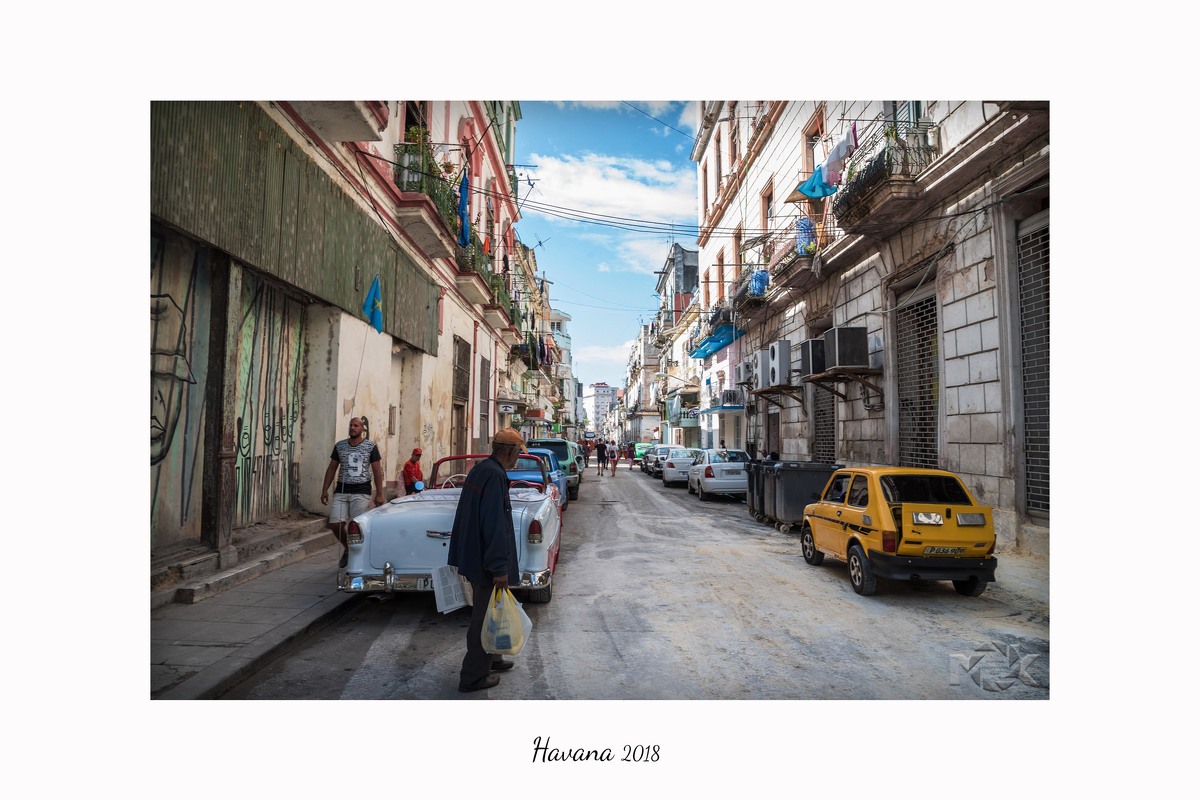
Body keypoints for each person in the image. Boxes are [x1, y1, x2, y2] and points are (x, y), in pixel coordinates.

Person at [446, 428, 525, 693]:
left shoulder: (482, 469)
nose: (518, 458)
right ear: (510, 452)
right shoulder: (494, 475)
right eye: (518, 453)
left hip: (474, 555)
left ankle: (493, 658)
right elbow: (493, 524)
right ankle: (473, 677)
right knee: (483, 618)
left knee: (494, 611)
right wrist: (499, 567)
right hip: (484, 561)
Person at [321, 416, 385, 568]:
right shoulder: (340, 446)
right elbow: (332, 467)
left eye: (356, 425)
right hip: (342, 489)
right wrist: (324, 489)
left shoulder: (370, 446)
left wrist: (379, 494)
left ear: (362, 429)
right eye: (351, 425)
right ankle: (348, 548)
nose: (352, 428)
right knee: (335, 524)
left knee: (357, 527)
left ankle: (360, 558)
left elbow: (377, 470)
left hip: (361, 490)